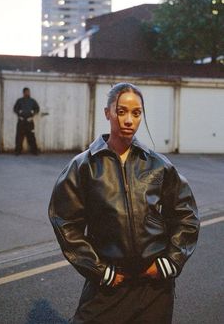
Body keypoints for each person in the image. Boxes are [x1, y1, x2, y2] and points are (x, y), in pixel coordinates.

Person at [48, 83, 200, 324]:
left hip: (154, 288)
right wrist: (101, 270)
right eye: (121, 111)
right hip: (108, 285)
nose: (129, 120)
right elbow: (65, 222)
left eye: (136, 113)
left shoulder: (159, 166)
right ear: (107, 113)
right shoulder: (84, 166)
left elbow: (186, 216)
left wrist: (169, 262)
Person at [13, 87, 40, 155]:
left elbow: (37, 109)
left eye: (28, 92)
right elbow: (15, 109)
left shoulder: (32, 101)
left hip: (29, 121)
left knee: (31, 136)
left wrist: (32, 116)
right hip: (21, 121)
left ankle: (34, 151)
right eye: (26, 92)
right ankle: (17, 151)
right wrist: (19, 115)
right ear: (23, 92)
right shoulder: (19, 101)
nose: (28, 93)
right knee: (19, 137)